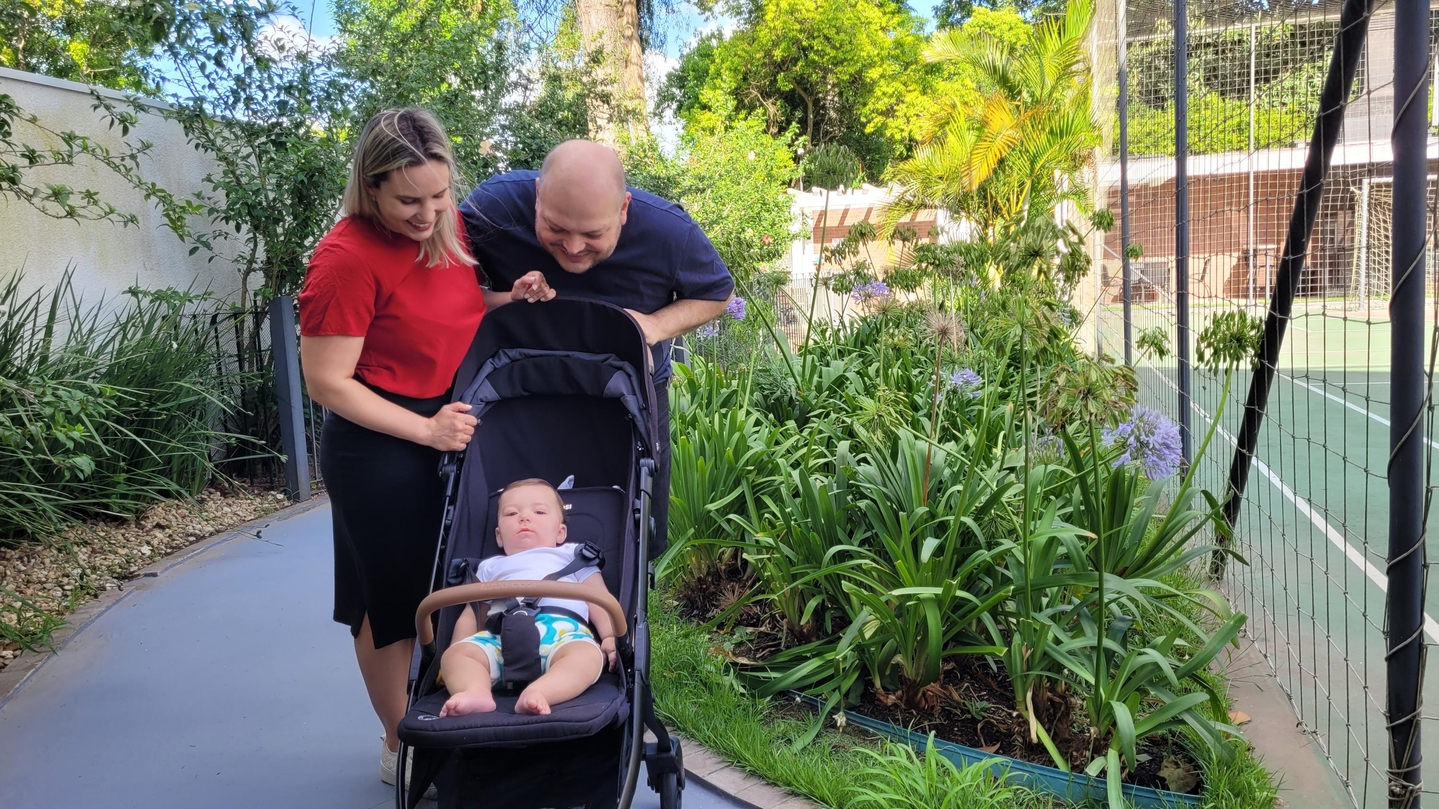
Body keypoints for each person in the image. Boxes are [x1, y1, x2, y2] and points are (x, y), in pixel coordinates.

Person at [298, 107, 555, 787]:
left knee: (450, 585)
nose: (427, 211)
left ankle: (451, 721)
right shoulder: (344, 258)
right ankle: (400, 742)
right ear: (372, 186)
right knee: (387, 603)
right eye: (409, 199)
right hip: (378, 440)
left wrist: (511, 298)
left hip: (448, 421)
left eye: (438, 194)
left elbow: (452, 314)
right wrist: (424, 430)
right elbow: (325, 381)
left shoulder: (447, 229)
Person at [459, 139, 734, 553]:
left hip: (629, 394)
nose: (572, 247)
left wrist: (655, 325)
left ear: (623, 209)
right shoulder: (490, 210)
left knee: (637, 529)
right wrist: (504, 298)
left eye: (593, 233)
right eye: (555, 228)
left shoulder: (670, 232)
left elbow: (718, 292)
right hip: (517, 390)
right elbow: (443, 288)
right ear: (537, 197)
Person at [439, 479, 618, 718]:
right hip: (499, 636)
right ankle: (475, 691)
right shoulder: (488, 567)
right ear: (499, 536)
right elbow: (472, 613)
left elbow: (598, 598)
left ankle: (541, 691)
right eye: (512, 513)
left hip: (562, 634)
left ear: (560, 532)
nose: (524, 518)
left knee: (586, 656)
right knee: (457, 656)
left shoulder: (573, 557)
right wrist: (456, 649)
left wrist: (609, 635)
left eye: (539, 512)